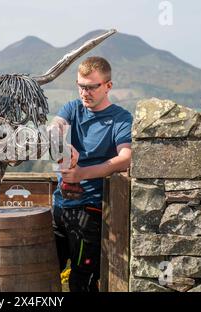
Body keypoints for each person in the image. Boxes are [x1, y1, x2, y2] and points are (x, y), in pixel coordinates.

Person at [50, 56, 133, 292]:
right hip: (59, 207)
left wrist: (82, 173)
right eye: (81, 86)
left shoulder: (121, 118)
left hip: (91, 212)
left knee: (81, 280)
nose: (85, 92)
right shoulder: (72, 108)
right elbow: (53, 127)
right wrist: (62, 144)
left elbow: (125, 157)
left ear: (108, 86)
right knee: (44, 273)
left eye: (91, 87)